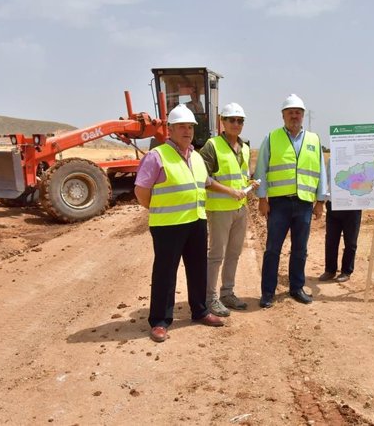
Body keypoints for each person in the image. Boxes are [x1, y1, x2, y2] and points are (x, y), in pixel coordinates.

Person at [134, 104, 228, 343]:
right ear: (170, 130)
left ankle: (200, 311)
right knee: (165, 272)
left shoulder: (196, 156)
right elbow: (141, 191)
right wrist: (156, 208)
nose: (187, 131)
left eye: (190, 127)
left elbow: (204, 181)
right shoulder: (157, 156)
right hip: (168, 224)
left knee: (198, 269)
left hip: (196, 221)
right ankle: (159, 321)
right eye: (182, 127)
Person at [253, 94, 327, 308]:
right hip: (279, 204)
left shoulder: (314, 140)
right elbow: (261, 171)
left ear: (303, 115)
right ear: (283, 115)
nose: (294, 116)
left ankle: (297, 287)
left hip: (304, 203)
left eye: (298, 112)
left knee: (300, 249)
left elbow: (320, 171)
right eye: (290, 112)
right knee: (273, 249)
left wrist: (320, 201)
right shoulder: (271, 137)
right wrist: (262, 199)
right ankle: (267, 292)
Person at [199, 102, 258, 317]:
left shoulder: (244, 147)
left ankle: (227, 293)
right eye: (231, 120)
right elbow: (203, 178)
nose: (236, 124)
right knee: (216, 255)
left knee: (234, 253)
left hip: (239, 209)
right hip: (220, 209)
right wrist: (229, 191)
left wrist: (250, 184)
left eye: (240, 120)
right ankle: (210, 298)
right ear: (222, 122)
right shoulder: (212, 145)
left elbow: (241, 176)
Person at [318, 161, 362, 283]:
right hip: (333, 205)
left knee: (351, 242)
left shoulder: (358, 160)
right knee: (331, 240)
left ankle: (346, 271)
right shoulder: (332, 161)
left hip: (353, 205)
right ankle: (330, 270)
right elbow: (326, 181)